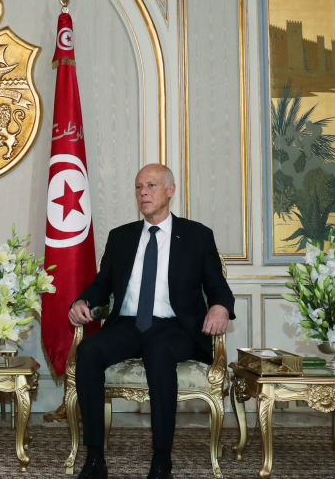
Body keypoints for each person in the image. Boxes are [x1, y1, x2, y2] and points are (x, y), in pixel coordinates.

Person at [69, 163, 234, 479]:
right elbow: (102, 284)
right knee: (88, 351)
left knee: (159, 352)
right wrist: (82, 301)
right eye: (138, 187)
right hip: (127, 325)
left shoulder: (197, 236)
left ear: (170, 190)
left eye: (151, 186)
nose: (143, 192)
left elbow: (218, 286)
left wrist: (220, 307)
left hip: (175, 327)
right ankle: (94, 457)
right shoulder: (121, 237)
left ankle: (161, 459)